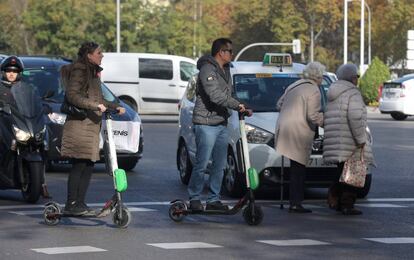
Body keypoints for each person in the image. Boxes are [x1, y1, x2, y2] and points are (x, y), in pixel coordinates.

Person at [61, 42, 125, 216]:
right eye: (99, 52)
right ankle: (71, 203)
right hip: (79, 126)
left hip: (90, 126)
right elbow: (72, 95)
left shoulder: (93, 73)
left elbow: (99, 98)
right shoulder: (81, 70)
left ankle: (79, 203)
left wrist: (114, 106)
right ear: (89, 55)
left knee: (88, 165)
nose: (102, 55)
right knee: (79, 164)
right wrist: (94, 105)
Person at [188, 38, 249, 211]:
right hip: (206, 122)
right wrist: (236, 105)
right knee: (202, 163)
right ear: (221, 52)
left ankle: (214, 199)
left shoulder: (227, 69)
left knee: (219, 164)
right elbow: (214, 94)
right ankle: (194, 198)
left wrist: (243, 105)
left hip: (221, 122)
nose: (232, 54)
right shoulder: (207, 68)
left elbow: (228, 93)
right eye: (230, 51)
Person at [323, 63, 374, 215]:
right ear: (352, 78)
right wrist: (361, 139)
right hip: (350, 141)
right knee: (354, 173)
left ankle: (336, 198)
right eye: (357, 76)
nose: (357, 79)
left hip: (337, 141)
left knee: (341, 172)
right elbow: (355, 118)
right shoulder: (353, 93)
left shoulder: (333, 93)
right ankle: (347, 205)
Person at [274, 62, 325, 213]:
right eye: (322, 76)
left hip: (284, 129)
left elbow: (279, 104)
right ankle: (295, 202)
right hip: (299, 131)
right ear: (318, 76)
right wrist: (326, 119)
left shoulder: (294, 85)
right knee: (299, 169)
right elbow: (313, 116)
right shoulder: (314, 90)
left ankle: (294, 201)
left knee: (295, 167)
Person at [0, 56, 51, 198]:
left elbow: (34, 103)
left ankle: (41, 184)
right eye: (8, 70)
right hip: (3, 122)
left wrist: (43, 107)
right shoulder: (0, 87)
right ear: (4, 72)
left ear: (19, 73)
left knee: (43, 145)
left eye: (14, 71)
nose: (11, 73)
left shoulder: (27, 88)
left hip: (20, 123)